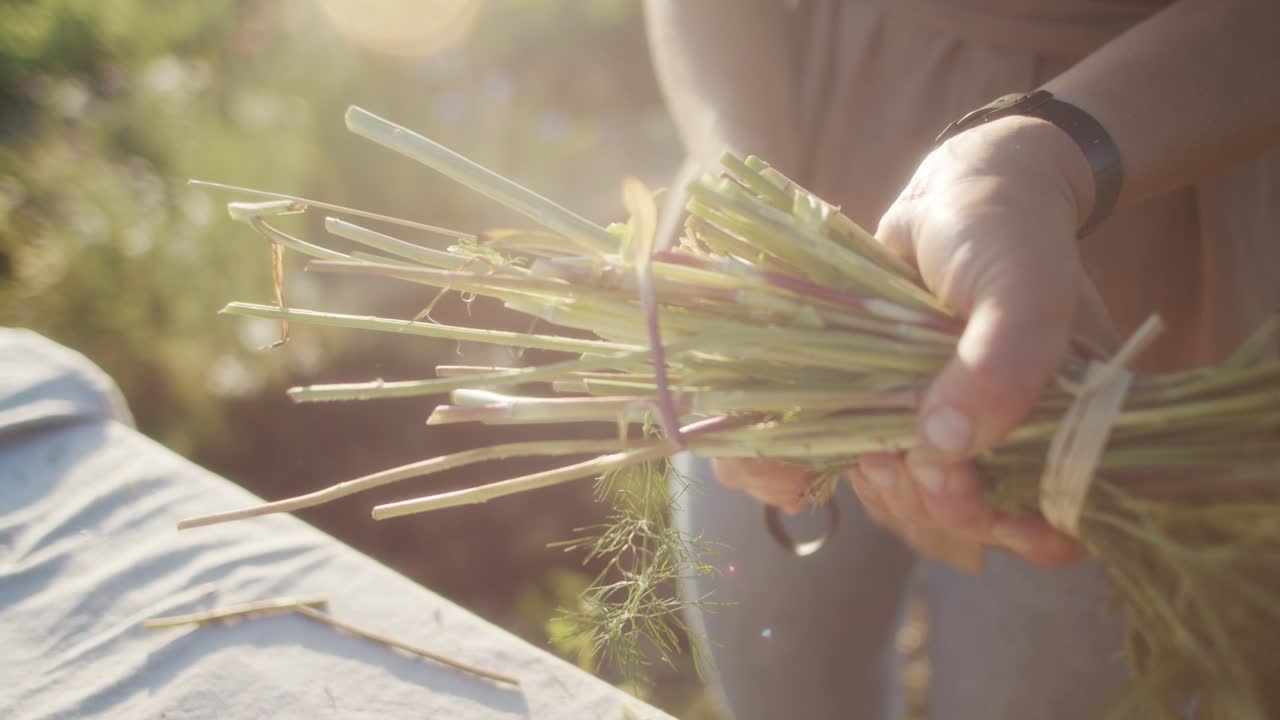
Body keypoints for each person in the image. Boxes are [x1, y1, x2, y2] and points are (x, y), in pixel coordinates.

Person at [643, 1, 1280, 718]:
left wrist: (1047, 155)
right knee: (778, 673)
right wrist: (744, 184)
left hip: (1125, 180)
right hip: (799, 139)